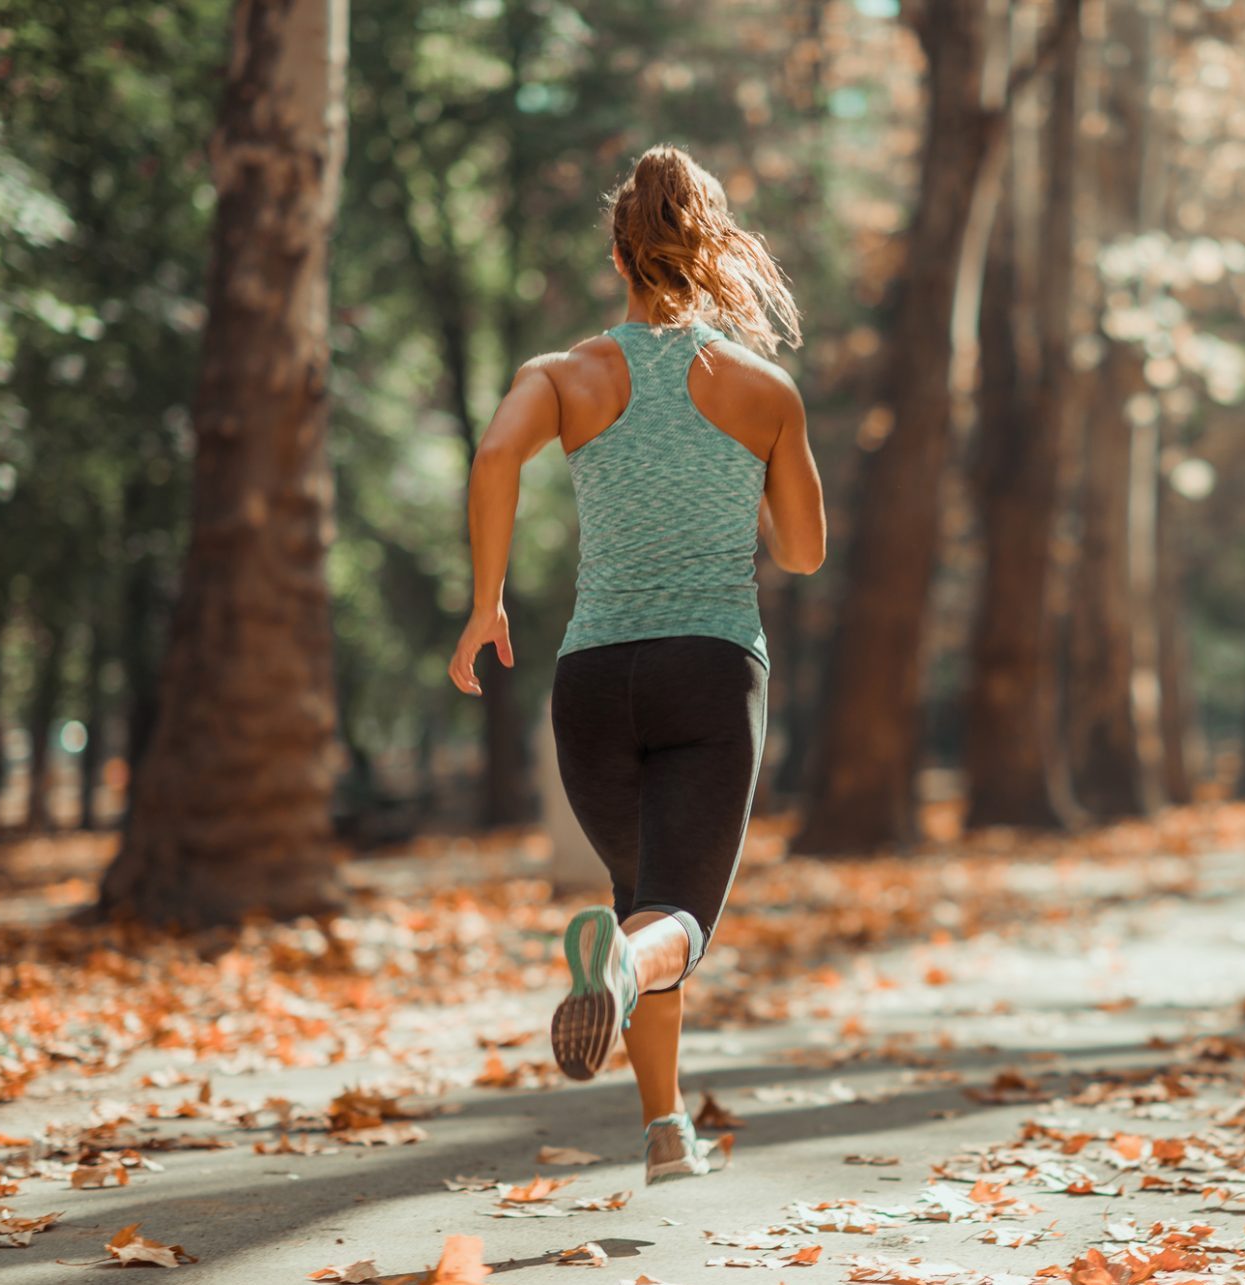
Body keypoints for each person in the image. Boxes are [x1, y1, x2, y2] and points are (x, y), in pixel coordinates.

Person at [447, 143, 825, 1185]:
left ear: (618, 255)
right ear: (709, 255)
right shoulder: (761, 389)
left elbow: (491, 458)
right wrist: (740, 477)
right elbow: (801, 551)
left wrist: (484, 604)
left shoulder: (561, 376)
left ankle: (664, 1132)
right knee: (675, 921)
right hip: (709, 670)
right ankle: (615, 968)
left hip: (592, 679)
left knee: (642, 898)